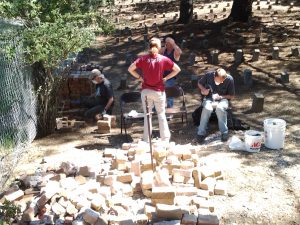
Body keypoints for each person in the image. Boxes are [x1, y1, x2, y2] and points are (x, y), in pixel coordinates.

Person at [128, 37, 181, 142]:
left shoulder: (143, 59)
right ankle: (165, 139)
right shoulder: (163, 59)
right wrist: (166, 78)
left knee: (147, 116)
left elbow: (130, 69)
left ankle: (147, 139)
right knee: (161, 115)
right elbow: (177, 69)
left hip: (146, 92)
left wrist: (140, 78)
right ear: (159, 47)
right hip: (159, 92)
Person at [197, 68, 235, 143]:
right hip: (209, 98)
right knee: (207, 108)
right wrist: (204, 90)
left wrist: (221, 97)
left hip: (223, 99)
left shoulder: (229, 79)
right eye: (219, 80)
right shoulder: (209, 75)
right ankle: (200, 133)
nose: (221, 82)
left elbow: (231, 96)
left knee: (220, 109)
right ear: (214, 76)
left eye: (222, 81)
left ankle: (224, 132)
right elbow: (199, 83)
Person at [160, 36, 182, 108]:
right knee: (159, 93)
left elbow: (179, 52)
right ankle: (157, 109)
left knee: (169, 94)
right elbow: (156, 52)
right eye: (166, 42)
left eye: (168, 42)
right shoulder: (164, 50)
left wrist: (173, 43)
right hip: (161, 75)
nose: (167, 44)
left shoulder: (175, 51)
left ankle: (170, 110)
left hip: (171, 76)